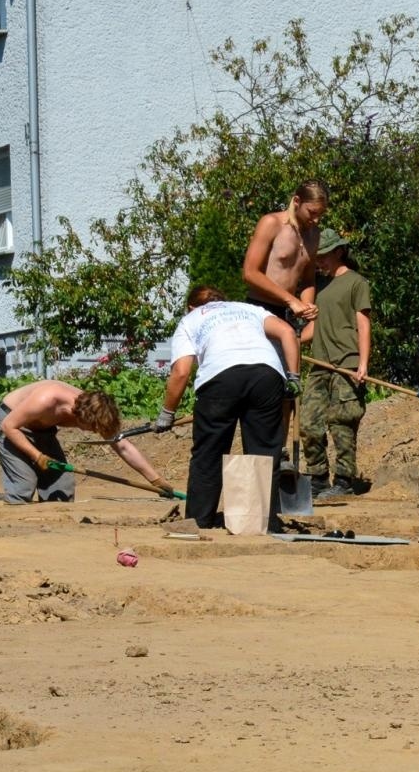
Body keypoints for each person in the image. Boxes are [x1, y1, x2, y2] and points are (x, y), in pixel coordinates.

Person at [155, 286, 301, 530]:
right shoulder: (248, 309)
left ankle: (199, 521)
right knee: (264, 451)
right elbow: (287, 331)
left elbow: (181, 372)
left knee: (209, 453)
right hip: (266, 375)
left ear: (191, 307)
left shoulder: (190, 320)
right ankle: (264, 521)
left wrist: (167, 413)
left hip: (220, 378)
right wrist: (294, 376)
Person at [0, 381, 173, 504]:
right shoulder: (47, 400)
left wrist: (156, 480)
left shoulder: (97, 411)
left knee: (62, 487)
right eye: (92, 428)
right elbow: (9, 426)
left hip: (42, 430)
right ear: (78, 416)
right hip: (10, 423)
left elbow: (123, 446)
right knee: (23, 485)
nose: (94, 432)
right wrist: (38, 456)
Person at [300, 228, 373, 498]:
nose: (319, 261)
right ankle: (317, 478)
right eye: (316, 256)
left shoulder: (356, 283)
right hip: (320, 363)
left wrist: (362, 363)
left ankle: (343, 481)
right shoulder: (318, 286)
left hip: (347, 362)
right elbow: (312, 329)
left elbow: (363, 325)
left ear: (339, 252)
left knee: (342, 422)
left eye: (324, 255)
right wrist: (291, 342)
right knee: (309, 423)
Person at [241, 180, 327, 328]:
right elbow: (249, 273)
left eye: (320, 214)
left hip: (286, 313)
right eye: (312, 213)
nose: (316, 220)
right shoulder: (271, 223)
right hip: (259, 309)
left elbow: (308, 281)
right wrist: (291, 300)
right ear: (296, 201)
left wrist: (307, 306)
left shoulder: (314, 235)